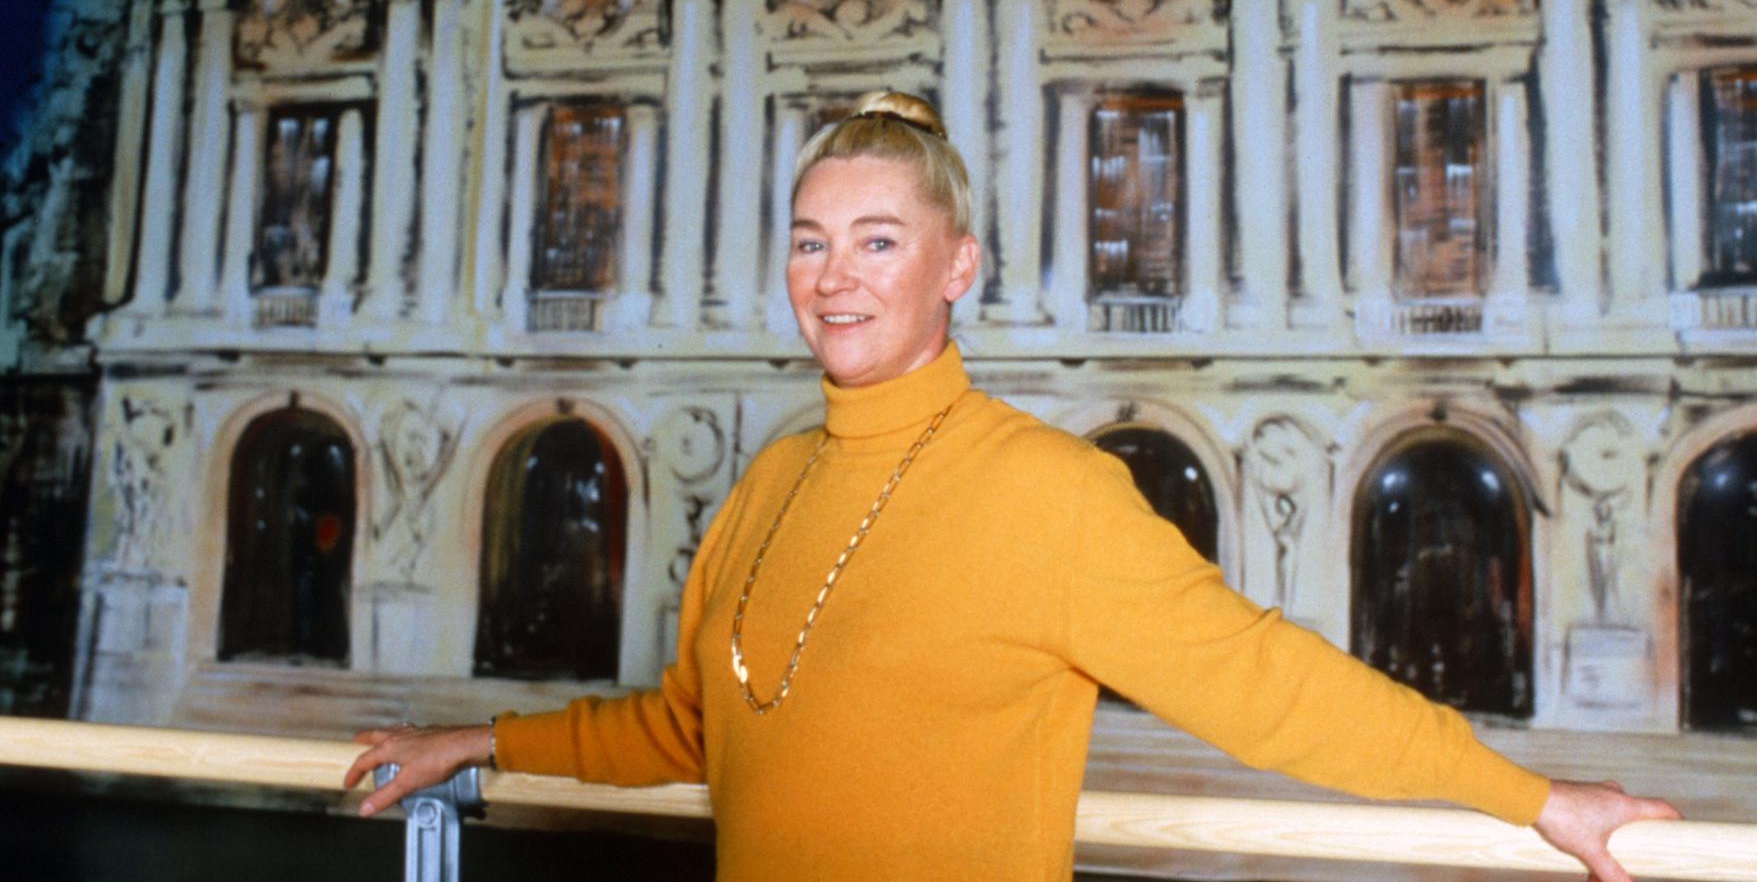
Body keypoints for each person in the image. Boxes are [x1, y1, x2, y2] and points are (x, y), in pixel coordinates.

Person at [346, 90, 1678, 881]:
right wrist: (482, 746)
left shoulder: (1048, 493)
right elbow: (702, 728)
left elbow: (1271, 688)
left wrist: (1540, 801)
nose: (835, 276)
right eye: (810, 242)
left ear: (958, 267)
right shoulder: (770, 481)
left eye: (879, 240)